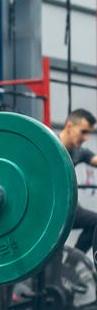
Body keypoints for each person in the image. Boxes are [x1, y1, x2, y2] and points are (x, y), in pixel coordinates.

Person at [58, 108, 97, 255]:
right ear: (69, 126)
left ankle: (73, 263)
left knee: (95, 222)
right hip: (50, 209)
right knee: (54, 254)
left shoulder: (79, 152)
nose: (86, 137)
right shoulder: (50, 145)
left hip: (69, 209)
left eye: (89, 133)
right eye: (83, 132)